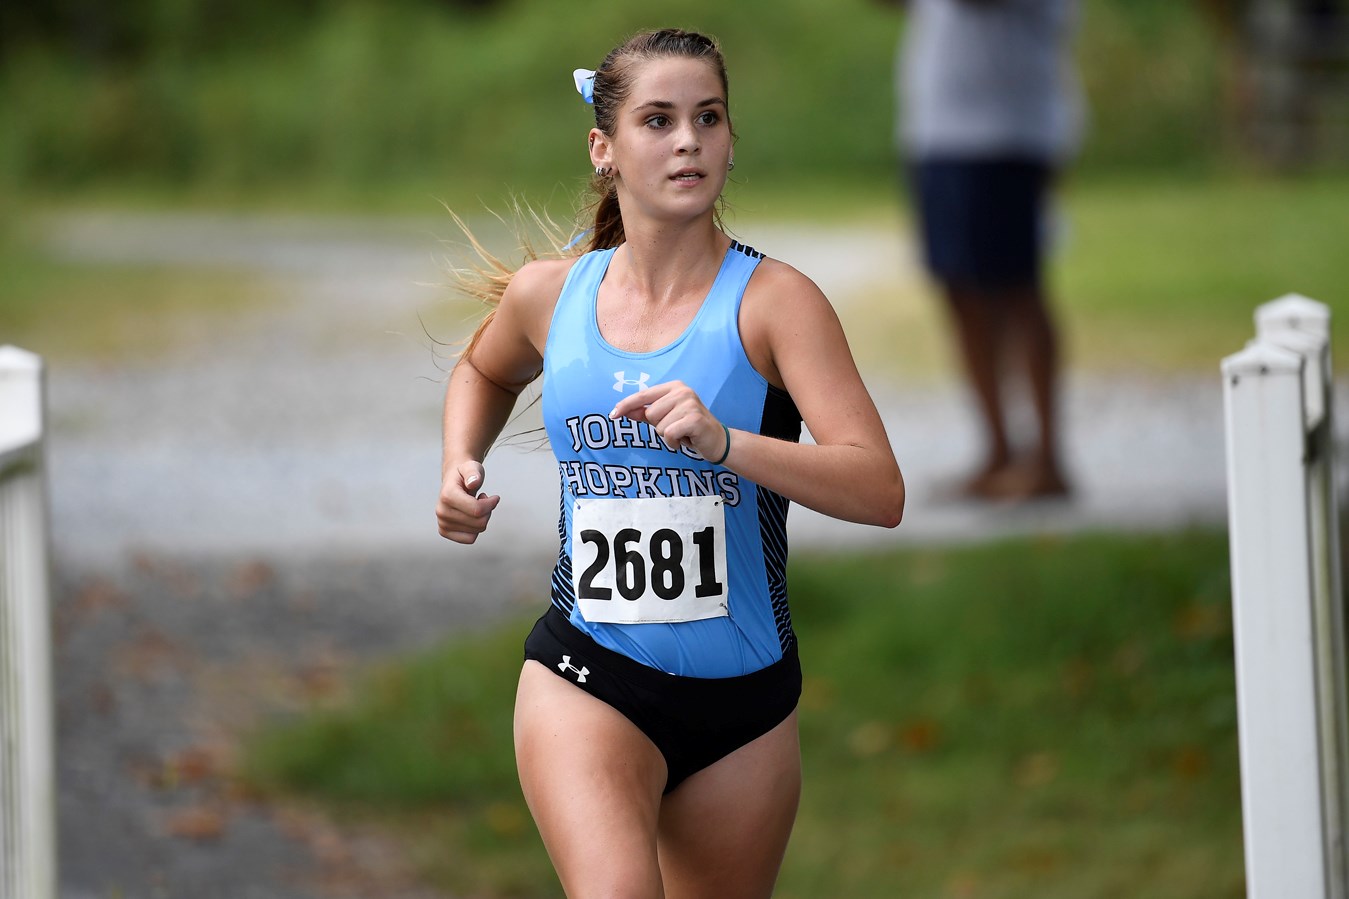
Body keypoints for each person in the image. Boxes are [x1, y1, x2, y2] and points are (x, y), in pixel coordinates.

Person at [435, 28, 904, 898]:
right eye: (658, 120)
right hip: (588, 669)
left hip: (746, 703)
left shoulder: (777, 303)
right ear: (603, 149)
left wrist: (727, 444)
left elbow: (879, 490)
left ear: (729, 140)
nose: (688, 139)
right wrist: (460, 459)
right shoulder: (552, 294)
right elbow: (481, 367)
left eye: (708, 117)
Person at [896, 0, 1083, 500]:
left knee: (1017, 286)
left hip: (1007, 131)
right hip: (939, 128)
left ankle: (1047, 459)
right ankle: (998, 450)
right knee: (960, 289)